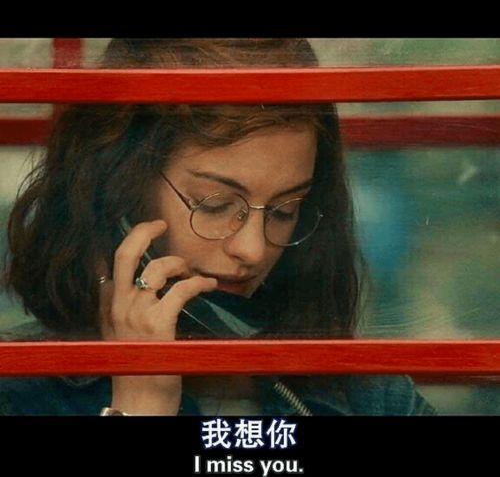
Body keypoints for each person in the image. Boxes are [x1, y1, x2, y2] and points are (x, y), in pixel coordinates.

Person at [0, 39, 436, 415]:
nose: (253, 250)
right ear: (119, 195)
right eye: (216, 205)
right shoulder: (20, 393)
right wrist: (140, 402)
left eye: (285, 211)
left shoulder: (371, 396)